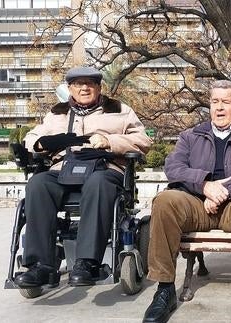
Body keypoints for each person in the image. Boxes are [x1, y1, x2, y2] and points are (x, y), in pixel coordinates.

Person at [143, 80, 231, 323]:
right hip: (195, 205)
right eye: (214, 102)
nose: (219, 108)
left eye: (225, 102)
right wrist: (205, 186)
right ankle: (164, 290)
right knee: (164, 200)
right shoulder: (190, 136)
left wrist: (222, 190)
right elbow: (174, 167)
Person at [15, 66, 152, 288]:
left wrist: (109, 141)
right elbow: (32, 137)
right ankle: (40, 266)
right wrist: (42, 143)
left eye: (90, 83)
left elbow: (143, 141)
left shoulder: (119, 109)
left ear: (99, 87)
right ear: (70, 88)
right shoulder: (57, 112)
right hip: (63, 170)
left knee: (98, 183)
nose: (85, 88)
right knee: (38, 184)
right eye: (79, 84)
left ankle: (87, 263)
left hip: (104, 168)